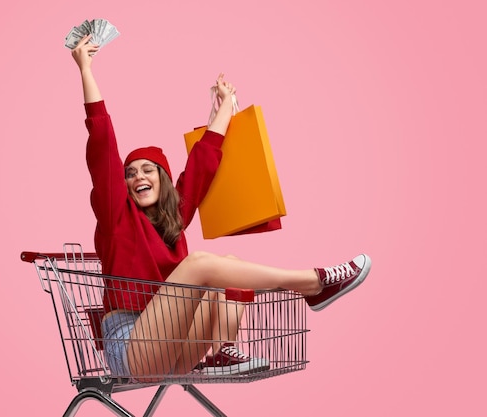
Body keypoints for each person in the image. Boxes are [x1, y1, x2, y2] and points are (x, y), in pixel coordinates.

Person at [71, 35, 371, 379]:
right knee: (200, 265)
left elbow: (203, 163)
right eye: (129, 173)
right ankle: (312, 282)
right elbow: (102, 144)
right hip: (131, 347)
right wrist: (86, 69)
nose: (137, 176)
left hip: (173, 345)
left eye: (147, 169)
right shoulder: (116, 218)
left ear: (164, 178)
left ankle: (221, 352)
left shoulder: (174, 219)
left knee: (225, 265)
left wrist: (226, 105)